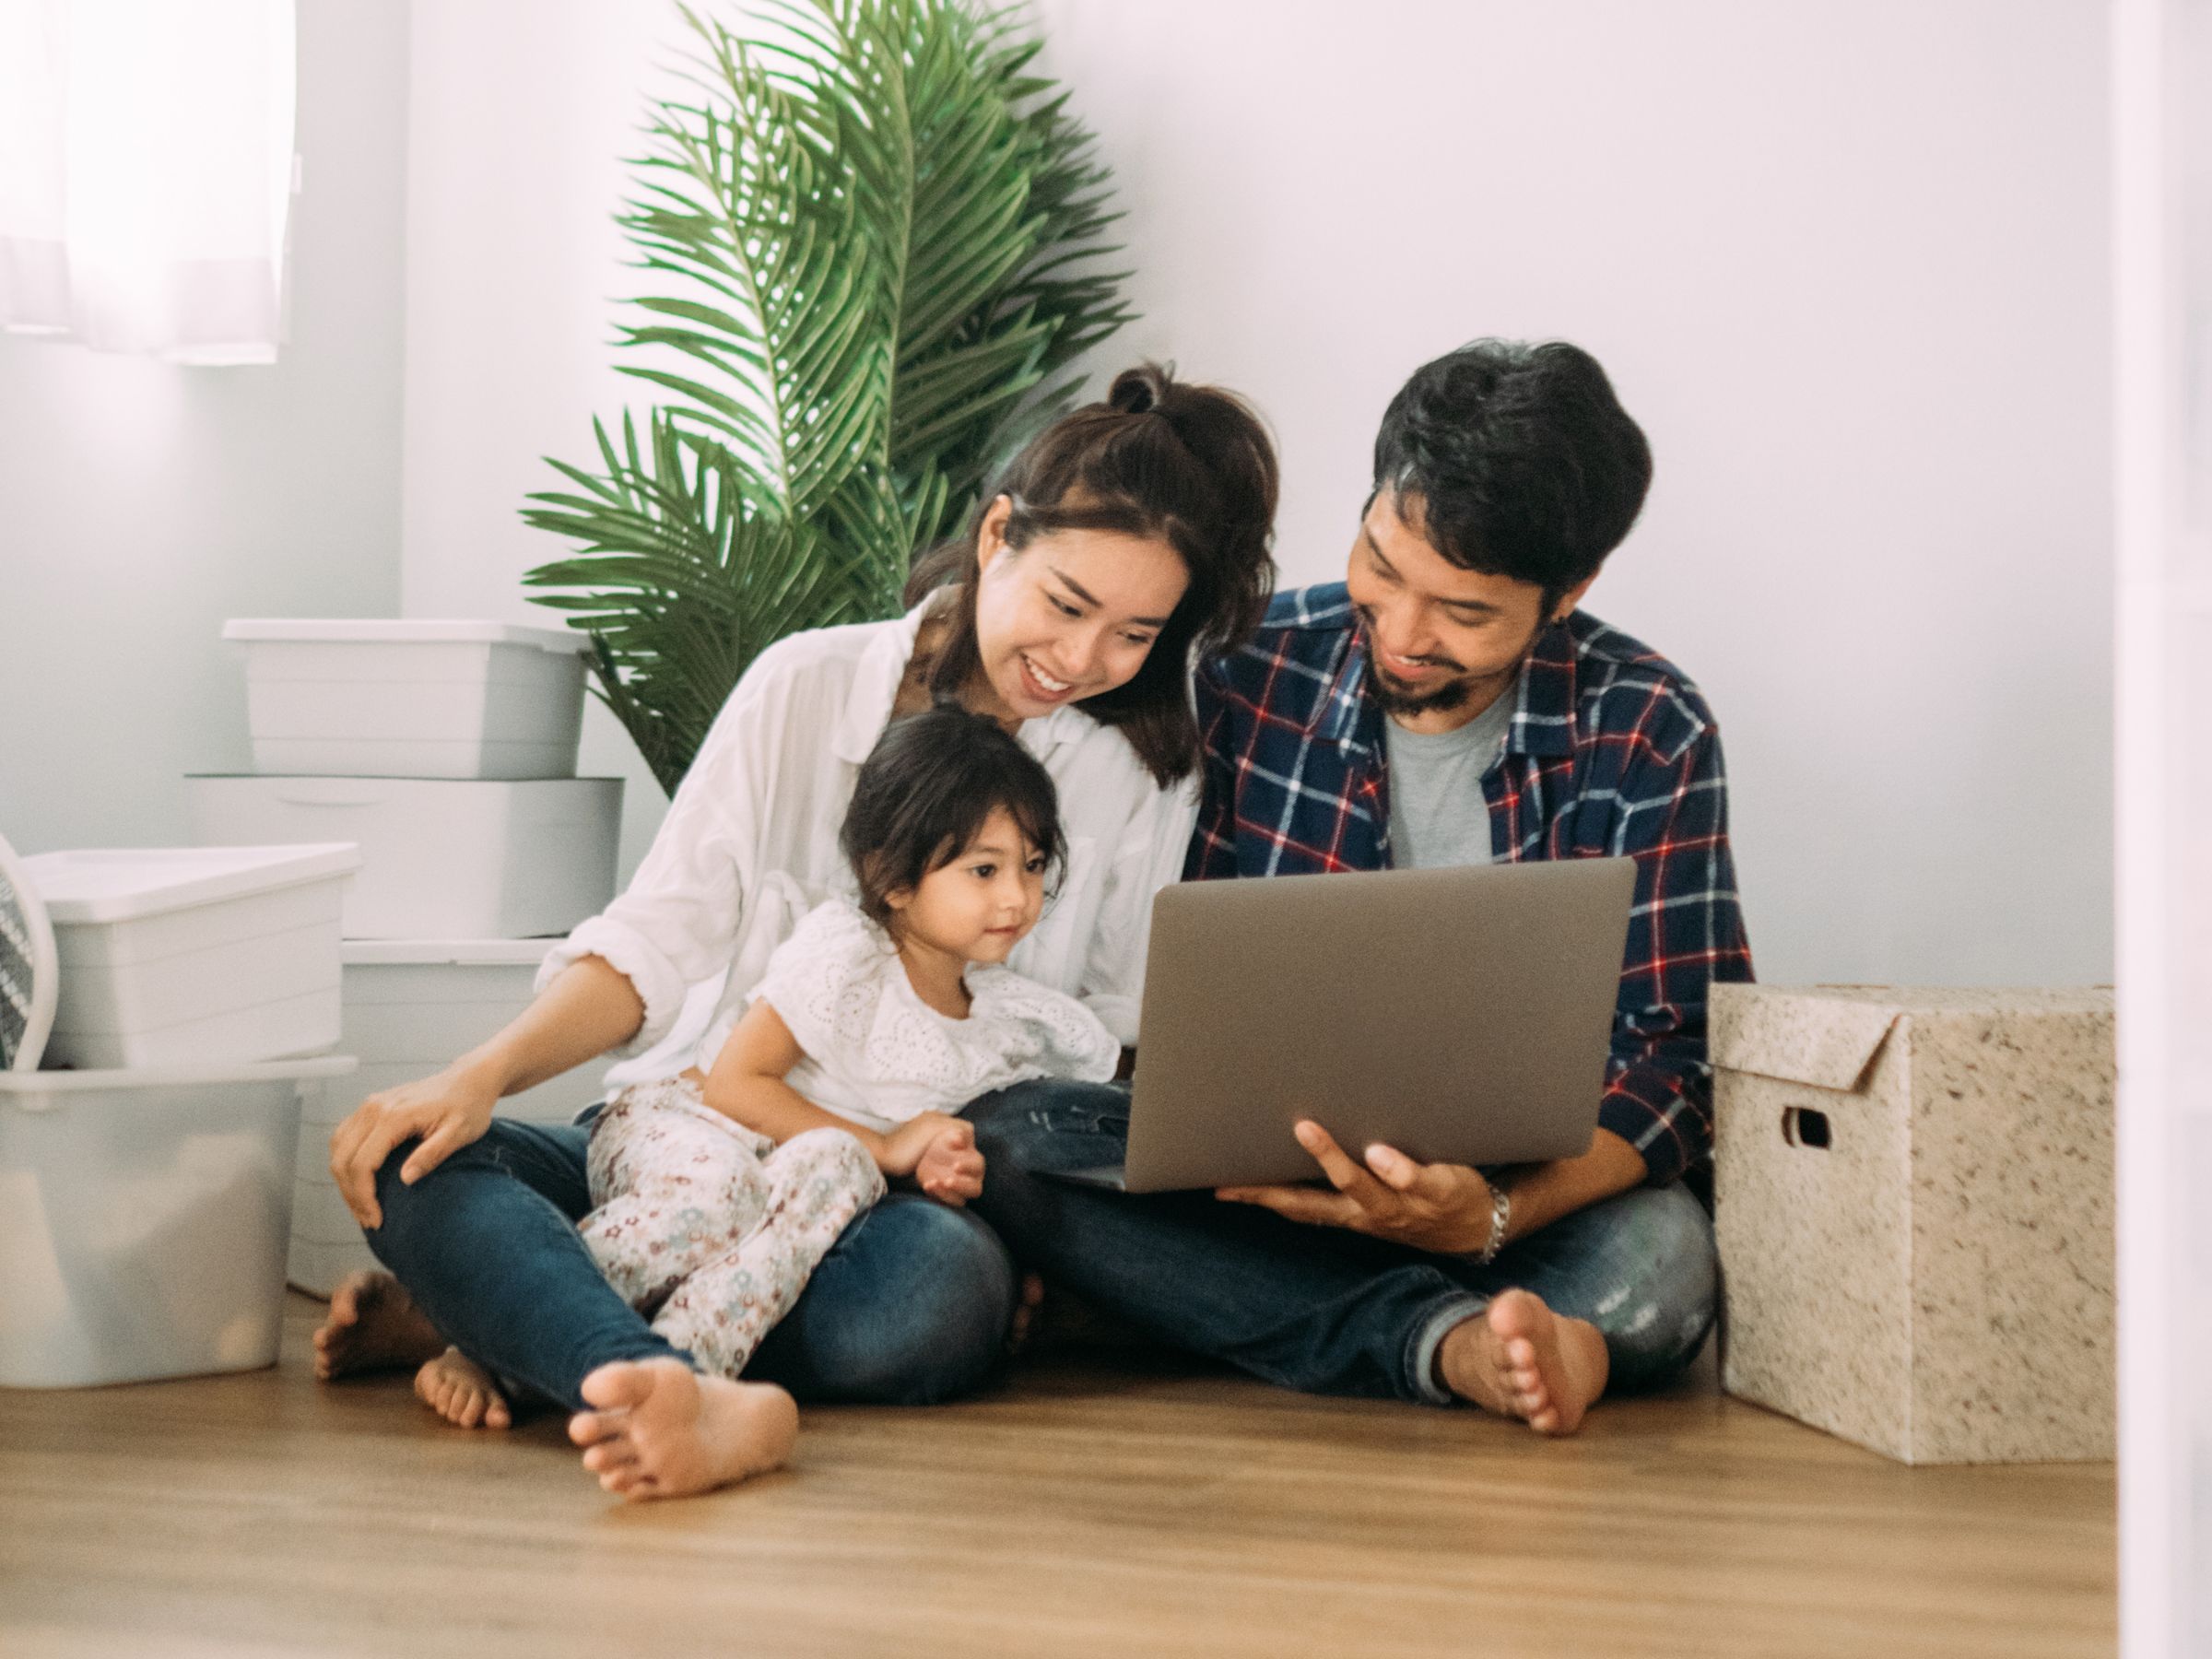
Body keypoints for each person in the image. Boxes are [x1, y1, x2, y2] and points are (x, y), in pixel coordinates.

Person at [312, 364, 1279, 1500]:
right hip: (683, 1139)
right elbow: (654, 944)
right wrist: (477, 1077)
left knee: (935, 1304)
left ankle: (518, 1314)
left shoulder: (1135, 774)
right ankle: (657, 1378)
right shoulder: (804, 686)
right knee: (420, 1163)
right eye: (1066, 605)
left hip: (879, 1197)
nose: (1081, 660)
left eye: (1133, 635)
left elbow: (1105, 1037)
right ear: (998, 535)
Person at [970, 338, 1754, 1436]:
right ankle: (1448, 1341)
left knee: (1662, 1265)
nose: (1400, 629)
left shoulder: (1647, 727)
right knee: (1016, 1133)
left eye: (1464, 614)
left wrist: (1484, 1215)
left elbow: (1678, 1057)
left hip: (1498, 1201)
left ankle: (1208, 1308)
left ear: (1566, 593)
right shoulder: (1245, 666)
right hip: (1251, 1183)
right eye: (1381, 566)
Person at [541, 707, 1118, 1434]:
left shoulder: (1006, 1023)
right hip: (690, 1127)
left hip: (799, 1179)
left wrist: (938, 1168)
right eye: (984, 869)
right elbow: (736, 1083)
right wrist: (886, 1146)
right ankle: (503, 1331)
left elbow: (924, 1154)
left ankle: (674, 1381)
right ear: (893, 878)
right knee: (748, 1189)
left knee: (833, 1173)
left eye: (1032, 867)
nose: (1016, 897)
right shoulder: (848, 951)